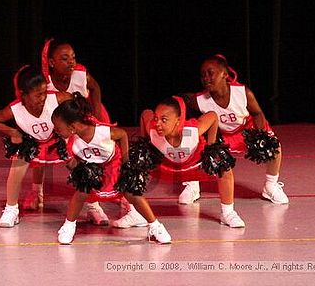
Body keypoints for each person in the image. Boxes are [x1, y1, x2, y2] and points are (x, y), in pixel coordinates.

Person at [52, 94, 172, 244]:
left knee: (131, 194)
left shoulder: (101, 131)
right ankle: (69, 226)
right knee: (80, 193)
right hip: (94, 169)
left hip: (114, 164)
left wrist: (127, 164)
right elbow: (76, 160)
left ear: (72, 127)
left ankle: (155, 226)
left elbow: (122, 135)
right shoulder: (69, 141)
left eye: (58, 128)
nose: (55, 131)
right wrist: (73, 165)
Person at [113, 96, 245, 228]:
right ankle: (137, 214)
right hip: (167, 164)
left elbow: (213, 116)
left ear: (178, 121)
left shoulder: (192, 130)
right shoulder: (153, 130)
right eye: (156, 118)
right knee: (133, 167)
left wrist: (212, 147)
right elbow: (145, 114)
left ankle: (228, 213)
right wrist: (145, 144)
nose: (158, 123)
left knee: (224, 166)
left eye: (164, 120)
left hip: (194, 162)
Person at [21, 37, 112, 226]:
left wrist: (96, 116)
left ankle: (94, 205)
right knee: (39, 145)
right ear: (52, 62)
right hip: (57, 120)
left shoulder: (80, 74)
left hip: (84, 117)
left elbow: (95, 88)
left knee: (89, 156)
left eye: (73, 57)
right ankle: (36, 191)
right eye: (65, 58)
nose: (71, 61)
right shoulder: (44, 81)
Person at [182, 54, 289, 205]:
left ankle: (271, 185)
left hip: (247, 130)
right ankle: (192, 185)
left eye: (210, 73)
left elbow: (257, 113)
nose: (205, 78)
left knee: (274, 146)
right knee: (193, 143)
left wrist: (261, 136)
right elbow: (181, 104)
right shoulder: (198, 100)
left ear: (224, 74)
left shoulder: (243, 92)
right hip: (222, 135)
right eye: (203, 75)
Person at [0, 65, 73, 228]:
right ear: (24, 95)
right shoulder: (14, 109)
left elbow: (78, 106)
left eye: (44, 92)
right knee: (17, 167)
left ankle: (93, 205)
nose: (43, 97)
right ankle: (11, 209)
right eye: (38, 94)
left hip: (55, 139)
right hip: (31, 142)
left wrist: (71, 127)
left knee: (79, 165)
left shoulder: (58, 99)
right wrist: (13, 132)